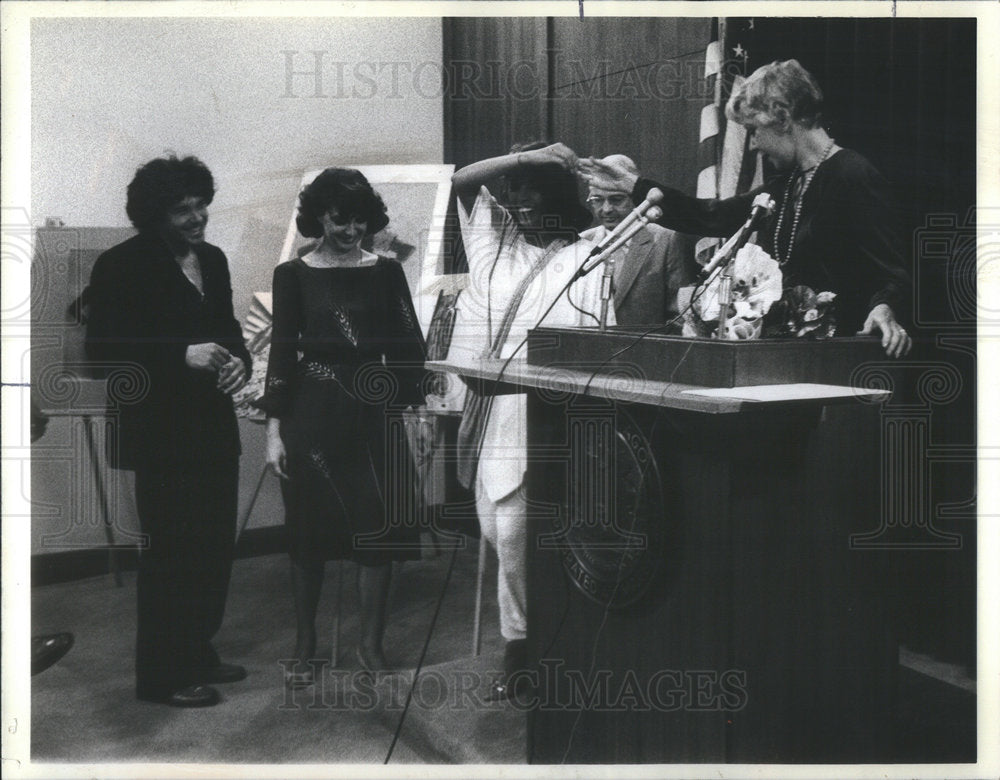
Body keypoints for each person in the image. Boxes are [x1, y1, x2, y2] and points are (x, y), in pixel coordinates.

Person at [579, 59, 913, 358]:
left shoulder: (853, 174)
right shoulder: (786, 184)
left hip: (838, 356)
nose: (753, 144)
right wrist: (634, 185)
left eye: (754, 131)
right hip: (785, 355)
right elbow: (711, 216)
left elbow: (893, 271)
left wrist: (884, 306)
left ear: (782, 118)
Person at [86, 155, 252, 707]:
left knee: (213, 546)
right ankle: (161, 677)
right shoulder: (120, 264)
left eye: (201, 204)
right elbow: (103, 352)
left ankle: (196, 651)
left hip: (212, 425)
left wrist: (240, 362)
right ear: (154, 214)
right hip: (160, 433)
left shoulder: (214, 260)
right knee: (171, 555)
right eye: (183, 209)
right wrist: (182, 353)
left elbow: (229, 330)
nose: (197, 217)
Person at [254, 168, 427, 687]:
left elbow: (409, 348)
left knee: (377, 527)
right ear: (318, 218)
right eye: (338, 220)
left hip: (374, 412)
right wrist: (273, 431)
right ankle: (305, 643)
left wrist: (414, 412)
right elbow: (282, 355)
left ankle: (370, 644)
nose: (350, 230)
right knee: (308, 532)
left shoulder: (387, 272)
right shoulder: (292, 274)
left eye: (359, 220)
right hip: (312, 412)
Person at [447, 140, 602, 700]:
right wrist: (525, 159)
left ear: (557, 194)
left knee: (520, 532)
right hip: (496, 408)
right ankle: (523, 639)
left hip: (560, 410)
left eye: (534, 190)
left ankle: (529, 643)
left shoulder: (588, 252)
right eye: (515, 192)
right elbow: (462, 180)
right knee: (496, 528)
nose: (521, 202)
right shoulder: (493, 243)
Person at [579, 154, 695, 327]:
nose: (606, 209)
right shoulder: (583, 242)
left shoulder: (665, 240)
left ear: (636, 198)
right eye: (598, 200)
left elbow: (679, 315)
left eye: (616, 200)